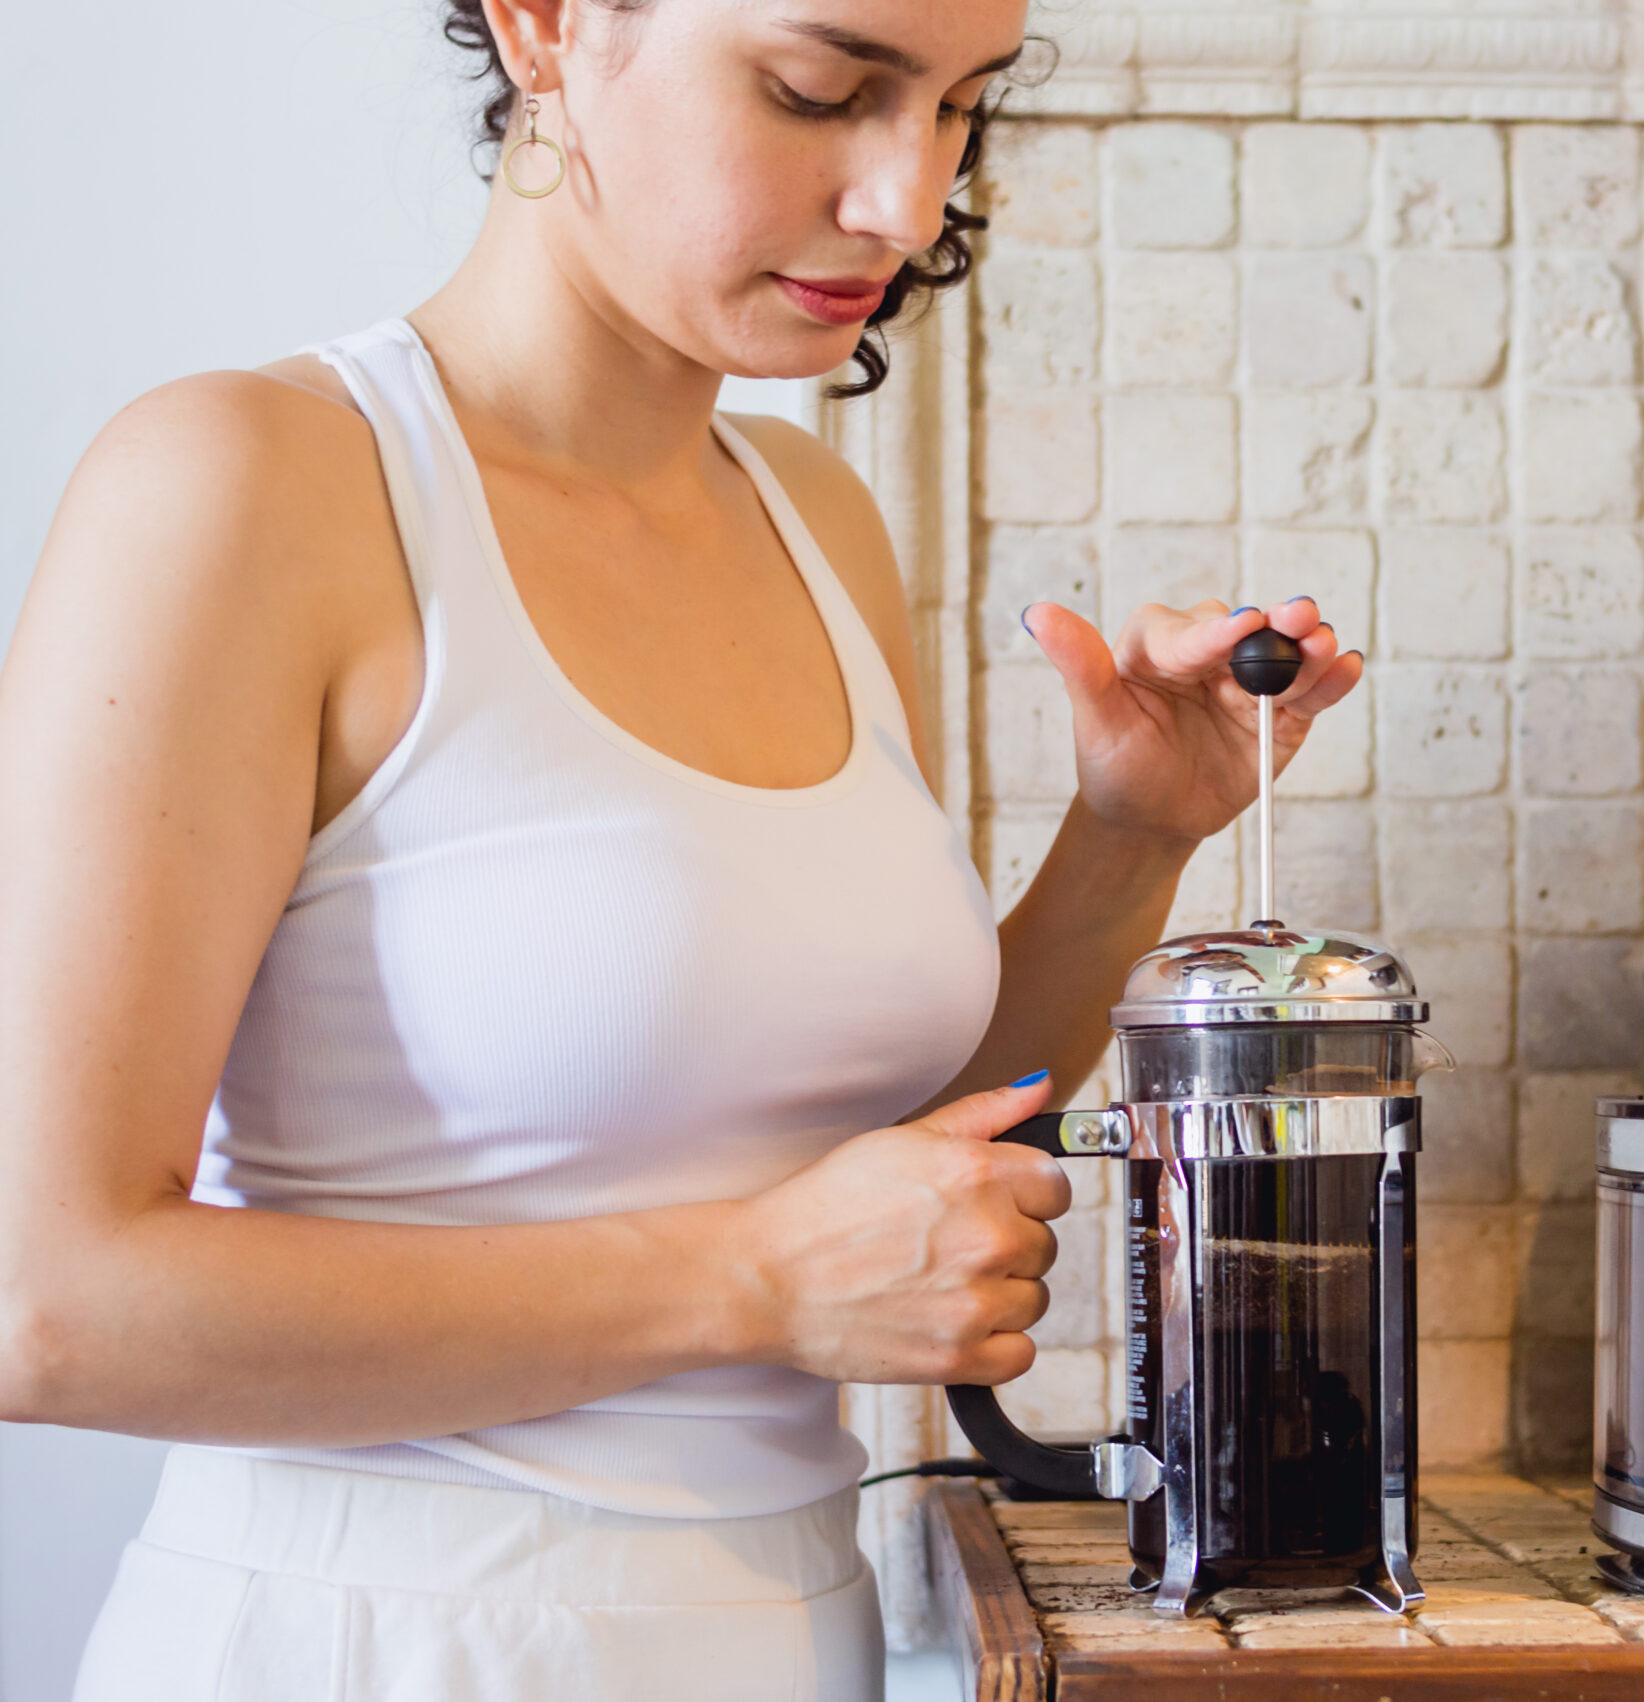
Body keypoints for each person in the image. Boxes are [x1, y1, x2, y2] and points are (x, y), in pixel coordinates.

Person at [0, 1, 1360, 1695]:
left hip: (787, 1633)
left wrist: (1128, 838)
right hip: (381, 1643)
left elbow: (864, 1164)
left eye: (958, 107)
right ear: (548, 25)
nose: (908, 199)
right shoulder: (247, 486)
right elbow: (41, 1297)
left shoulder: (819, 523)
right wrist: (746, 1283)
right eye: (820, 89)